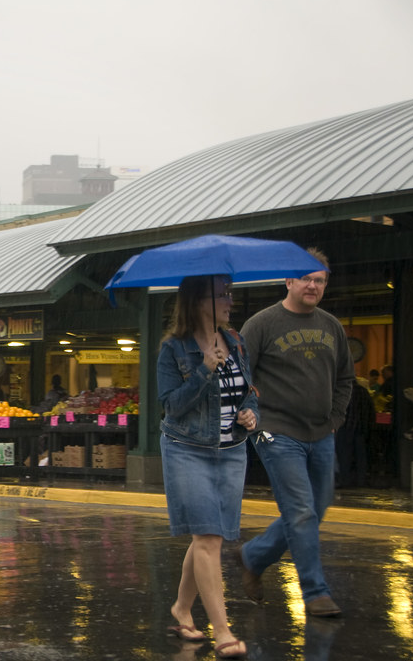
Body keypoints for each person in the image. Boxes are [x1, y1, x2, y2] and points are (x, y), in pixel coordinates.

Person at [236, 249, 354, 618]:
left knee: (315, 509)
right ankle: (315, 592)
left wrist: (334, 417)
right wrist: (253, 417)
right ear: (288, 281)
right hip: (275, 432)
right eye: (306, 278)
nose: (313, 285)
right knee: (300, 511)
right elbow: (240, 376)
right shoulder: (261, 324)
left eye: (319, 280)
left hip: (321, 432)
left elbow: (345, 377)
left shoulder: (331, 325)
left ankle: (252, 557)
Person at [157, 274, 258, 659]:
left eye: (229, 294)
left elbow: (250, 391)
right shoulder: (174, 349)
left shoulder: (236, 341)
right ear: (199, 301)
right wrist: (205, 370)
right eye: (221, 295)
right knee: (208, 539)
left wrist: (251, 412)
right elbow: (172, 405)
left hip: (231, 450)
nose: (230, 302)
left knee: (209, 536)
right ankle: (223, 631)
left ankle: (182, 608)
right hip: (187, 449)